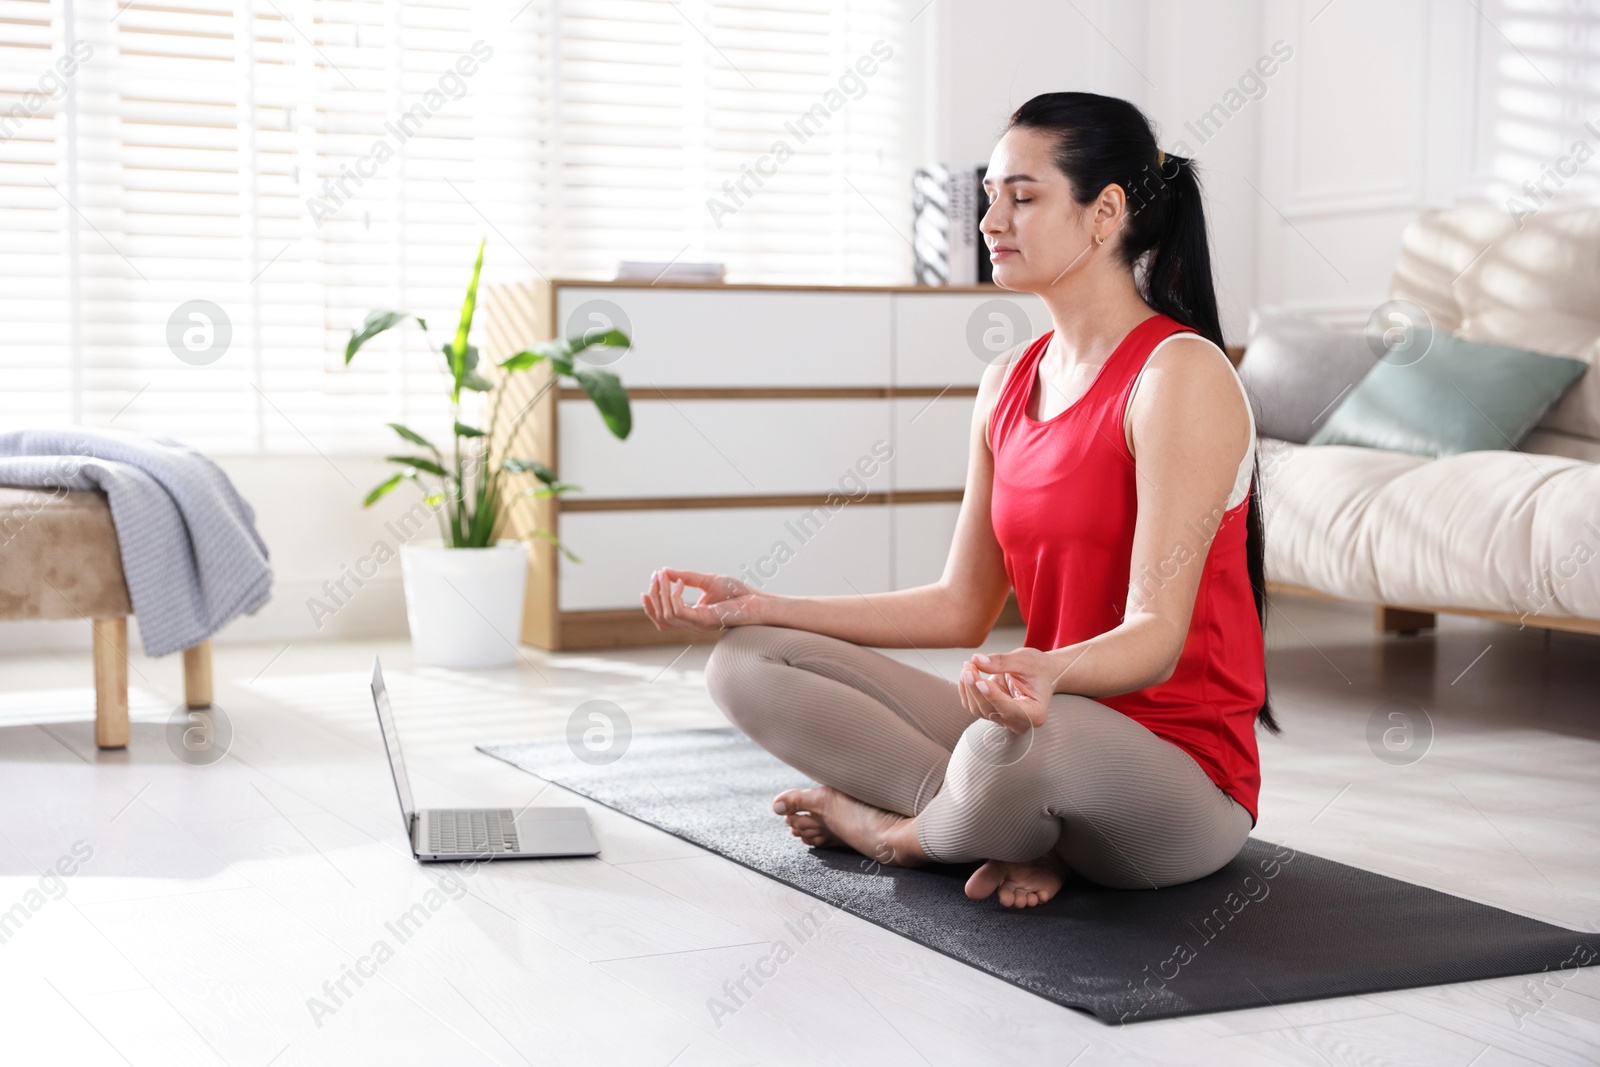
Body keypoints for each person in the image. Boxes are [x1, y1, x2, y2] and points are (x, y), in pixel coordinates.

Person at [640, 91, 1277, 909]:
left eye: (1022, 196)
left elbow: (1154, 638)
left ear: (1104, 213)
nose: (990, 222)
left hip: (1179, 777)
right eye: (989, 198)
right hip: (1035, 723)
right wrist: (761, 603)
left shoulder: (1177, 377)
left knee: (1018, 750)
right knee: (747, 662)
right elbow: (959, 606)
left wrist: (1043, 672)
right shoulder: (1007, 381)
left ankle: (897, 832)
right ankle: (1011, 828)